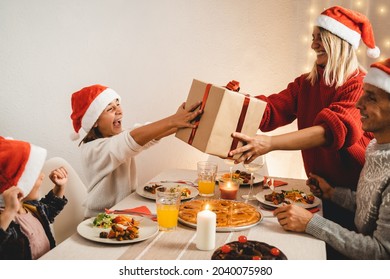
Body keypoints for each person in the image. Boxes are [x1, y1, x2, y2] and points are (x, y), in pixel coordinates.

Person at [229, 6, 380, 230]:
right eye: (313, 38)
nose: (313, 45)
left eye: (321, 38)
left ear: (339, 42)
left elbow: (329, 131)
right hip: (322, 191)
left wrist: (268, 144)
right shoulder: (307, 83)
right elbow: (271, 110)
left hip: (356, 198)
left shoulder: (359, 86)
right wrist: (234, 100)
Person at [272, 58, 390, 260]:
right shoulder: (375, 148)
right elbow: (371, 209)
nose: (358, 104)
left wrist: (311, 224)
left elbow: (381, 253)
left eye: (371, 98)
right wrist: (332, 193)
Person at [70, 84, 202, 218]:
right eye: (110, 109)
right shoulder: (93, 150)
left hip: (125, 212)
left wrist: (182, 120)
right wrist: (173, 121)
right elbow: (132, 139)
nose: (119, 111)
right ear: (94, 122)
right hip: (100, 219)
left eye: (118, 104)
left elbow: (149, 135)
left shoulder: (116, 139)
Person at [0, 137, 68, 260]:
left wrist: (60, 187)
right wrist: (9, 212)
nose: (42, 175)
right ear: (17, 185)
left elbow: (50, 209)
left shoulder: (31, 207)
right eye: (34, 174)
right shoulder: (5, 220)